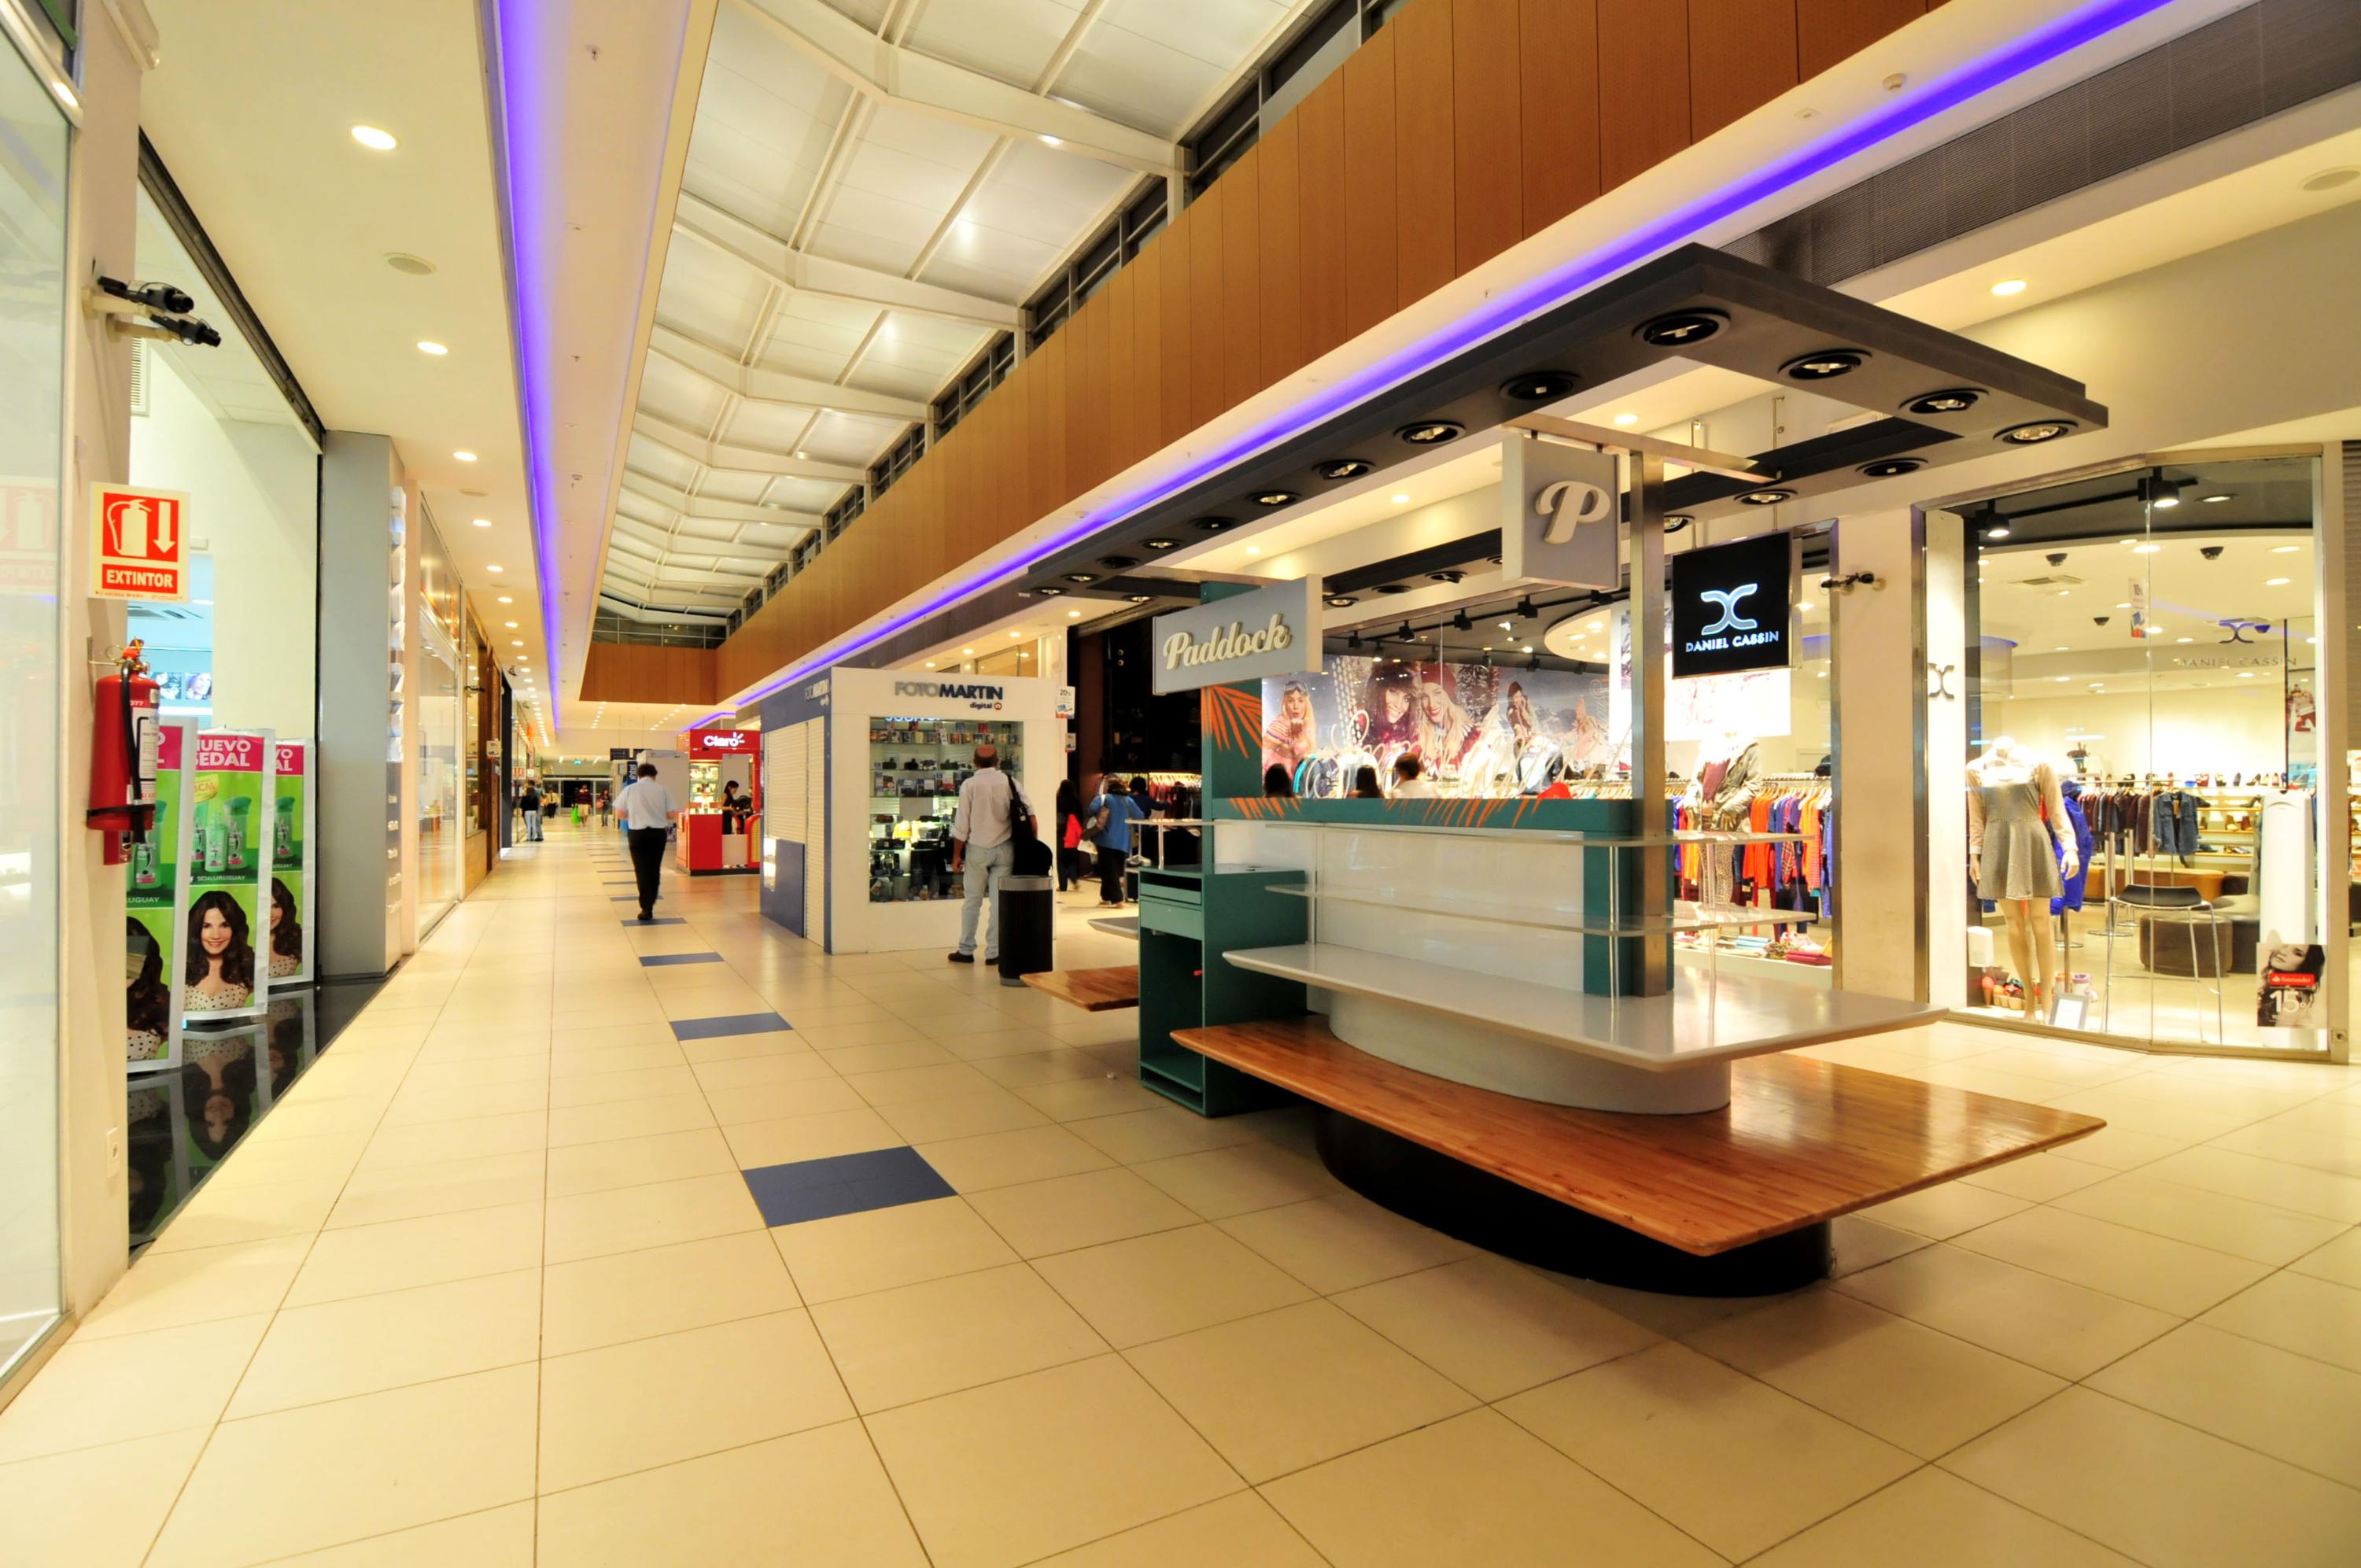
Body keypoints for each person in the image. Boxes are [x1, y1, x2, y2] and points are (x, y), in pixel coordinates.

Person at [948, 743, 1025, 965]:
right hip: (1005, 849)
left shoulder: (970, 785)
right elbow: (1029, 813)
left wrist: (956, 855)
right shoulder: (1010, 782)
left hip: (977, 850)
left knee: (972, 901)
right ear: (997, 761)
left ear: (974, 762)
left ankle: (966, 950)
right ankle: (994, 952)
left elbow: (962, 824)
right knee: (999, 903)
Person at [615, 762, 679, 921]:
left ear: (639, 775)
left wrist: (634, 817)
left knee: (641, 869)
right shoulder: (662, 790)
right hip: (657, 834)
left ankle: (646, 908)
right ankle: (651, 900)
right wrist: (658, 815)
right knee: (654, 868)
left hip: (637, 834)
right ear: (655, 775)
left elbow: (620, 813)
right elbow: (672, 815)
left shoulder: (629, 789)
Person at [185, 890, 255, 1010]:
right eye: (207, 926)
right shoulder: (182, 965)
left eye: (224, 925)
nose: (216, 935)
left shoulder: (247, 964)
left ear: (234, 929)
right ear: (196, 929)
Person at [1086, 775, 1145, 906]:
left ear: (1109, 788)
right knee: (1110, 868)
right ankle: (1106, 897)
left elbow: (1090, 810)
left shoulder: (1103, 798)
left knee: (1109, 869)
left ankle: (1118, 899)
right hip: (1123, 841)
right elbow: (1140, 816)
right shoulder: (1128, 801)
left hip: (1105, 839)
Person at [1053, 778, 1086, 892]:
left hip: (1062, 832)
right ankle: (1074, 879)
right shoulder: (1077, 801)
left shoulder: (1059, 800)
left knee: (1061, 860)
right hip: (1073, 834)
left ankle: (1063, 886)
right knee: (1071, 859)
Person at [267, 876, 302, 980]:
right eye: (265, 906)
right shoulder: (241, 944)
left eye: (276, 906)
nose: (270, 914)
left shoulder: (294, 939)